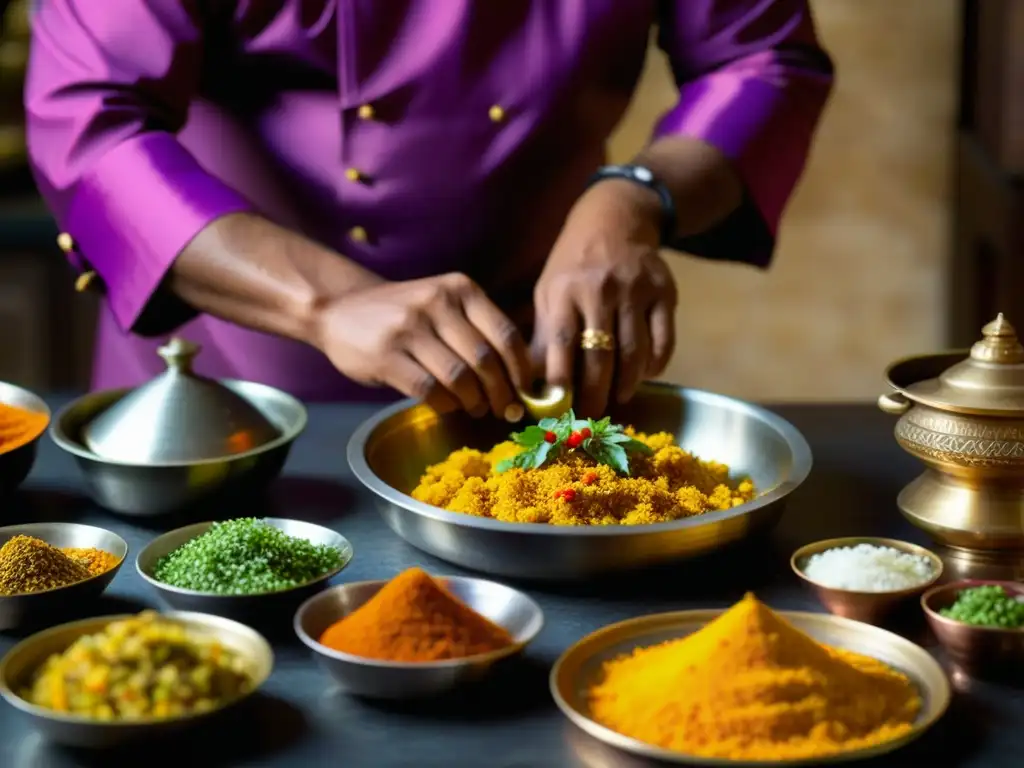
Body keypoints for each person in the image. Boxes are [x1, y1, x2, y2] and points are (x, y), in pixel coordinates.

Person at [25, 1, 833, 418]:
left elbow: (761, 60)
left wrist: (633, 199)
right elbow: (90, 120)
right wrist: (329, 302)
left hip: (528, 368)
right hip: (230, 376)